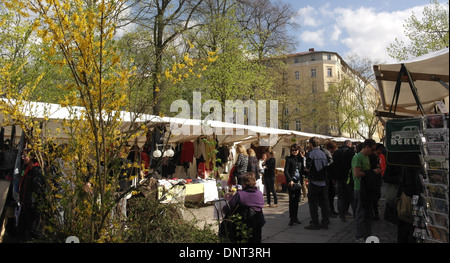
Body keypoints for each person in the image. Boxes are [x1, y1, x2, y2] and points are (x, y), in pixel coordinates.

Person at [351, 139, 382, 243]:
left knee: (368, 213)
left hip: (367, 188)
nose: (373, 152)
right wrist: (372, 172)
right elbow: (357, 174)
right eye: (372, 149)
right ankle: (359, 236)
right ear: (367, 147)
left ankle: (367, 235)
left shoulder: (366, 157)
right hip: (359, 188)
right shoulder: (357, 157)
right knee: (360, 213)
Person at [222, 172, 266, 243]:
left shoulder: (240, 195)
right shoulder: (259, 194)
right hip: (256, 228)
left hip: (240, 227)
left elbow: (226, 209)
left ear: (244, 184)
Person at [17, 148, 46, 241]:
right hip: (25, 204)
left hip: (32, 206)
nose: (22, 157)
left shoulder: (37, 170)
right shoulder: (27, 169)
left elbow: (37, 190)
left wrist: (33, 204)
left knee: (32, 231)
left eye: (25, 155)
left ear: (32, 157)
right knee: (21, 230)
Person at [304, 137, 330, 230]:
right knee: (324, 204)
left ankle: (315, 223)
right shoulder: (323, 153)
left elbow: (308, 168)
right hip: (323, 182)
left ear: (311, 144)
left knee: (313, 204)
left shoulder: (310, 154)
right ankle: (325, 222)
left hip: (314, 182)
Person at [332, 140, 355, 222]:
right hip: (348, 178)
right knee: (352, 197)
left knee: (341, 197)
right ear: (349, 144)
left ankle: (342, 215)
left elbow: (333, 166)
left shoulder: (337, 152)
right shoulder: (351, 152)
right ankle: (355, 215)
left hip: (339, 178)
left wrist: (334, 177)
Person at [284, 144, 305, 226]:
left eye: (295, 150)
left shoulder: (300, 159)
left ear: (298, 150)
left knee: (296, 201)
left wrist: (306, 174)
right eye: (292, 150)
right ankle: (291, 218)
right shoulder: (289, 159)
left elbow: (302, 170)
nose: (294, 151)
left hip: (298, 182)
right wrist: (290, 180)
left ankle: (295, 217)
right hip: (292, 182)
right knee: (292, 200)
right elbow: (286, 171)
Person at [323, 141, 338, 218]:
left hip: (330, 178)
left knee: (331, 195)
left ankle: (332, 209)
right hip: (328, 178)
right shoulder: (327, 154)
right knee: (329, 195)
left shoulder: (330, 154)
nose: (335, 150)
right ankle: (329, 211)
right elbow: (329, 167)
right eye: (334, 148)